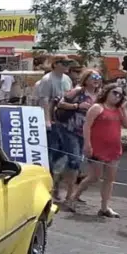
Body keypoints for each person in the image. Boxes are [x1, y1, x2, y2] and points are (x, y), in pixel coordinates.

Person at [70, 82, 127, 217]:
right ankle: (74, 197)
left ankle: (104, 207)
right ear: (107, 92)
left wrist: (124, 108)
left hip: (113, 148)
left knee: (110, 178)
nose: (117, 96)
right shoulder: (97, 107)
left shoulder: (118, 110)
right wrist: (87, 144)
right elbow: (87, 126)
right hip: (97, 148)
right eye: (115, 93)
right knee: (94, 177)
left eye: (120, 94)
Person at [56, 69, 102, 209]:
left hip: (88, 133)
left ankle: (57, 181)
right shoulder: (78, 91)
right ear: (86, 79)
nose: (96, 79)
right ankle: (69, 196)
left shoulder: (101, 95)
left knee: (76, 162)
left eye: (98, 77)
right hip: (71, 130)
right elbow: (60, 104)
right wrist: (77, 106)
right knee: (75, 161)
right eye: (93, 77)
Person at [36, 57, 74, 190]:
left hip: (64, 121)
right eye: (64, 63)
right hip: (52, 120)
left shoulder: (67, 79)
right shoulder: (47, 80)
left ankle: (56, 180)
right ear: (56, 64)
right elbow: (44, 101)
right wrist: (47, 120)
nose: (67, 66)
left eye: (68, 64)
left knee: (64, 151)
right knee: (52, 151)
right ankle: (50, 182)